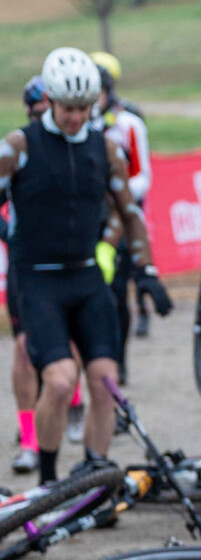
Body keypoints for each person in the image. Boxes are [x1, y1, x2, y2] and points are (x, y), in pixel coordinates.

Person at [1, 48, 164, 484]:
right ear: (51, 102)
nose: (76, 117)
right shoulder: (19, 146)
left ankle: (95, 477)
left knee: (105, 381)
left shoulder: (105, 148)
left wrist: (147, 270)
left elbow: (129, 212)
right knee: (59, 381)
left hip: (87, 276)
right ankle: (49, 482)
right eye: (68, 108)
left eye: (84, 108)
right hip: (38, 279)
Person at [93, 54, 167, 375]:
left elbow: (143, 177)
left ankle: (119, 359)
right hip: (89, 219)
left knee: (117, 292)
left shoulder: (128, 124)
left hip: (121, 218)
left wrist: (115, 192)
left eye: (97, 93)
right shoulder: (80, 124)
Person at [6, 77, 48, 474]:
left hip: (71, 264)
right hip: (25, 261)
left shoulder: (83, 145)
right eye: (35, 113)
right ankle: (29, 440)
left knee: (67, 350)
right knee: (23, 346)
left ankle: (70, 403)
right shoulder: (17, 147)